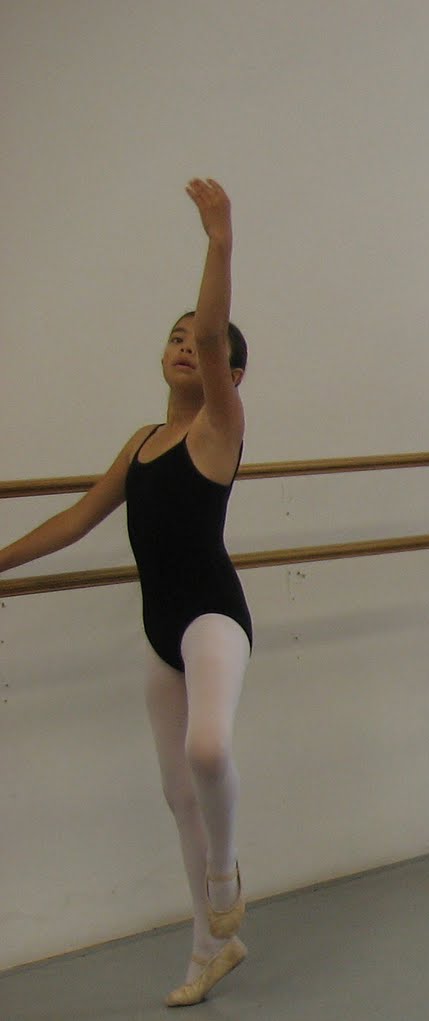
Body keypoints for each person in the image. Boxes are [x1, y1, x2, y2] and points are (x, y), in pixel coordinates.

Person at [0, 180, 254, 1005]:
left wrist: (219, 245)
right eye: (175, 338)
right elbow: (76, 519)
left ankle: (226, 877)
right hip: (159, 627)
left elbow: (216, 329)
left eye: (201, 342)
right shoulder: (142, 441)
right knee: (178, 793)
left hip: (213, 616)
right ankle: (206, 950)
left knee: (207, 749)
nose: (188, 345)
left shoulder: (221, 426)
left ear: (229, 371)